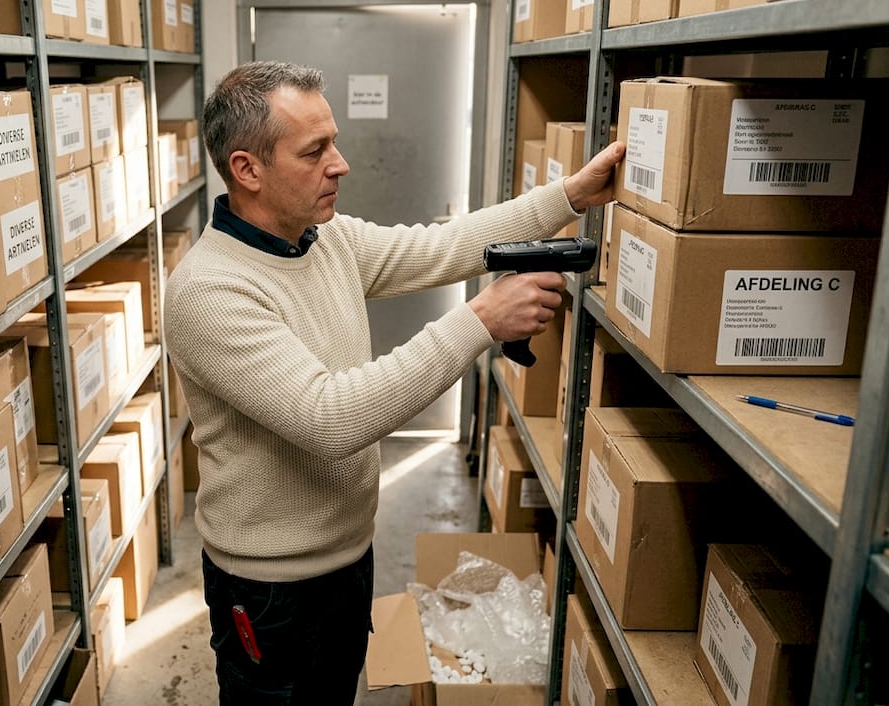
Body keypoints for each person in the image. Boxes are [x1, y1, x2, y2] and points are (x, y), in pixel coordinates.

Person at [164, 60, 625, 704]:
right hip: (270, 589)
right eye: (315, 149)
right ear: (248, 170)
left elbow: (449, 245)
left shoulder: (325, 240)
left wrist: (568, 197)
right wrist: (481, 320)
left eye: (335, 141)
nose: (341, 163)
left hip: (348, 557)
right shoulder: (210, 291)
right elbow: (330, 419)